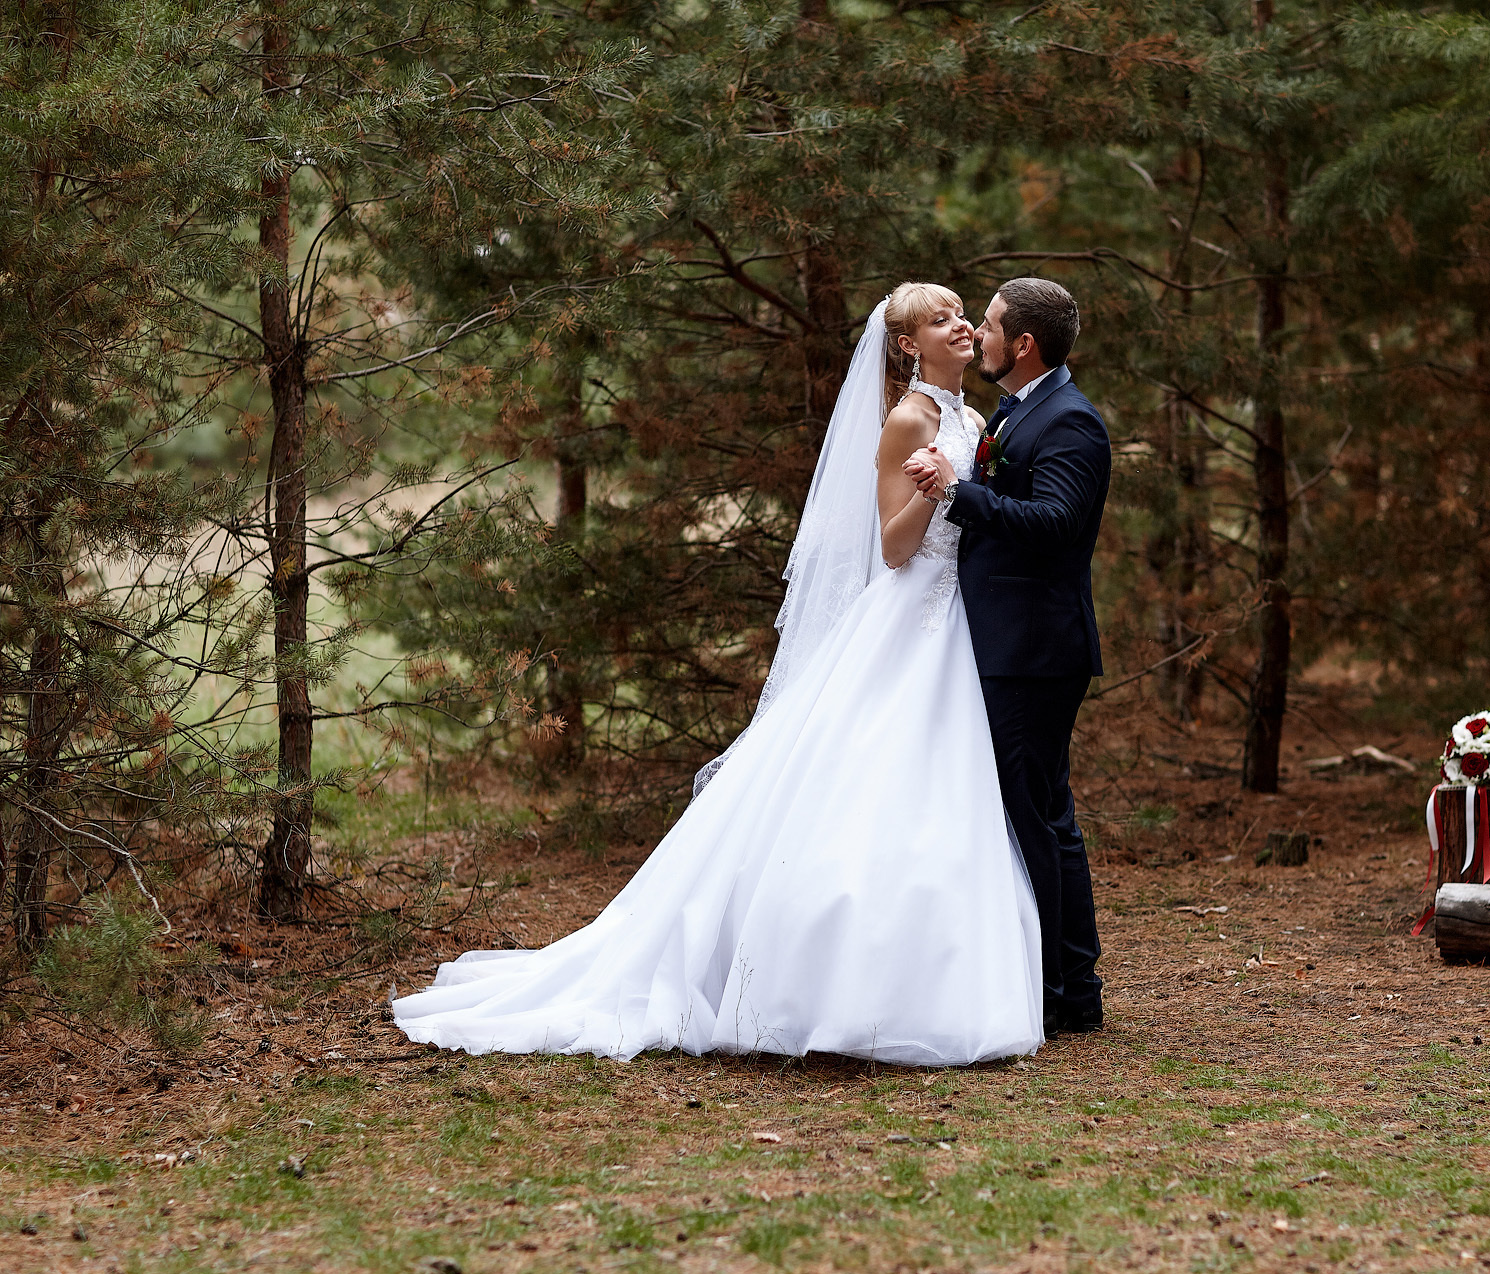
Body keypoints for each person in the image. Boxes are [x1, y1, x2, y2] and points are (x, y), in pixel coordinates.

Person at [392, 283, 1043, 1066]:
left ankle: (938, 980)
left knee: (942, 795)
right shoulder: (910, 420)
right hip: (909, 616)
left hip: (955, 624)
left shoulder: (972, 418)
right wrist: (939, 488)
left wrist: (963, 486)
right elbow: (896, 547)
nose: (963, 325)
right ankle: (823, 985)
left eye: (963, 313)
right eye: (941, 320)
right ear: (908, 346)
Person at [905, 277, 1111, 1034]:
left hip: (1033, 649)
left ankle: (1067, 992)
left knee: (1038, 818)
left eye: (986, 325)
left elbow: (1056, 521)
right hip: (1006, 641)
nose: (976, 334)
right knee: (1039, 811)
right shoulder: (1019, 410)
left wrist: (960, 494)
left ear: (1022, 344)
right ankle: (1062, 983)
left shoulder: (1071, 423)